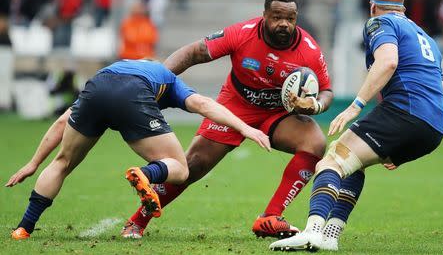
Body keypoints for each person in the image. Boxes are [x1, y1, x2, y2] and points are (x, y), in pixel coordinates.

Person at [121, 0, 334, 239]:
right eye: (277, 17)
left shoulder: (308, 49)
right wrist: (157, 78)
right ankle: (137, 222)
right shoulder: (243, 33)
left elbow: (327, 90)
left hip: (278, 111)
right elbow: (194, 52)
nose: (284, 24)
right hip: (236, 105)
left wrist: (316, 105)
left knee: (315, 143)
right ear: (264, 15)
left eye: (290, 19)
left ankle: (270, 217)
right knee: (192, 166)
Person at [270, 0, 443, 252]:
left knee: (332, 161)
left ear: (372, 5)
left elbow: (388, 61)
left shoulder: (380, 22)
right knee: (354, 163)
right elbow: (436, 81)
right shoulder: (424, 35)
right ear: (403, 6)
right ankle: (330, 235)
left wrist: (357, 105)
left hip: (405, 112)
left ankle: (313, 231)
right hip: (434, 126)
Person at [6, 59, 271, 240]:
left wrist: (34, 162)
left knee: (62, 162)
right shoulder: (167, 77)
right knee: (179, 169)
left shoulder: (116, 68)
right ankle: (146, 174)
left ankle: (23, 228)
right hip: (132, 94)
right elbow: (203, 104)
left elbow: (63, 120)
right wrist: (245, 128)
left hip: (96, 87)